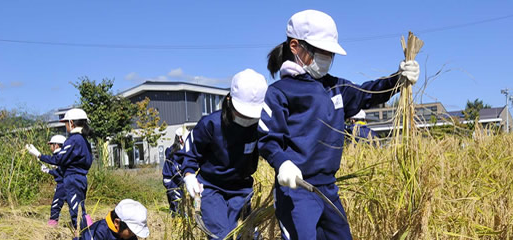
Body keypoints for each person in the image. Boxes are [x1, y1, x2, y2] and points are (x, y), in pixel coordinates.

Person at [258, 9, 420, 239]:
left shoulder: (336, 88)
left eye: (329, 53)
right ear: (295, 46)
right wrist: (282, 163)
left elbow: (367, 93)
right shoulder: (279, 93)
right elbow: (267, 137)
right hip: (297, 191)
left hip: (328, 188)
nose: (326, 58)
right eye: (320, 51)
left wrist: (398, 78)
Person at [175, 69, 268, 239]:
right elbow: (189, 154)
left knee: (246, 234)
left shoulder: (260, 126)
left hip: (242, 188)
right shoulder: (210, 124)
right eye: (242, 113)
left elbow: (273, 148)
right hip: (211, 187)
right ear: (229, 101)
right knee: (221, 235)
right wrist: (189, 175)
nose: (247, 119)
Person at [26, 108, 95, 235]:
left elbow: (59, 159)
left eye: (65, 124)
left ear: (71, 123)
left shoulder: (74, 139)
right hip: (81, 177)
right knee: (80, 207)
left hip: (73, 179)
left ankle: (84, 234)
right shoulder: (84, 141)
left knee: (75, 209)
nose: (66, 127)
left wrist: (40, 155)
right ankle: (87, 232)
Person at [80, 199, 150, 240]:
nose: (134, 234)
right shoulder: (99, 233)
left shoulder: (129, 235)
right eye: (132, 231)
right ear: (117, 223)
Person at [40, 134, 67, 226]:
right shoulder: (65, 155)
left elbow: (54, 162)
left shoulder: (59, 156)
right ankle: (87, 224)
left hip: (63, 185)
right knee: (76, 207)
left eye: (51, 145)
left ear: (56, 145)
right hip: (67, 184)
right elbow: (59, 172)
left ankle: (52, 227)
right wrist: (48, 171)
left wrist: (40, 156)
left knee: (55, 206)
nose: (50, 147)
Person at [162, 127, 186, 216]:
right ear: (180, 138)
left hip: (176, 181)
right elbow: (176, 170)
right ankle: (177, 223)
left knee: (177, 204)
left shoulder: (182, 149)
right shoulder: (175, 151)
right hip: (172, 181)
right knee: (177, 205)